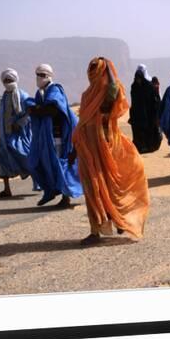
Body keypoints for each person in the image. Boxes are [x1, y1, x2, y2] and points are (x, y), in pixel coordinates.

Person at [71, 57, 150, 246]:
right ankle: (95, 230)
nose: (91, 72)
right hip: (87, 148)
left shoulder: (108, 92)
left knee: (109, 187)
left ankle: (119, 218)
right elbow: (83, 122)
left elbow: (113, 94)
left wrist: (108, 71)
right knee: (92, 188)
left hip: (105, 147)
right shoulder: (87, 94)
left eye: (95, 68)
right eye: (89, 68)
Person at [25, 63, 82, 207]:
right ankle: (50, 191)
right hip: (45, 137)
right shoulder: (41, 92)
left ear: (49, 76)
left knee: (59, 165)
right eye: (38, 74)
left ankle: (65, 197)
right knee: (38, 163)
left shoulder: (55, 90)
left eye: (43, 75)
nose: (40, 77)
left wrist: (36, 109)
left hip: (58, 137)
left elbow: (53, 110)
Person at [0, 68, 36, 197]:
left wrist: (20, 123)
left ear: (15, 79)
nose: (8, 82)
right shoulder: (5, 96)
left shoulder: (23, 95)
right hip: (5, 134)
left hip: (20, 134)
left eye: (10, 80)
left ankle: (40, 183)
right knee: (2, 159)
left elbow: (31, 112)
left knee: (26, 156)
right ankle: (7, 190)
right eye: (6, 80)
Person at [129, 64, 161, 153]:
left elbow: (155, 100)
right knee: (138, 131)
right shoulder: (134, 86)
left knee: (148, 130)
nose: (138, 80)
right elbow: (133, 99)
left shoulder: (149, 86)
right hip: (137, 113)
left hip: (148, 113)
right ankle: (140, 146)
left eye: (140, 78)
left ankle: (149, 146)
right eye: (137, 78)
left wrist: (156, 114)